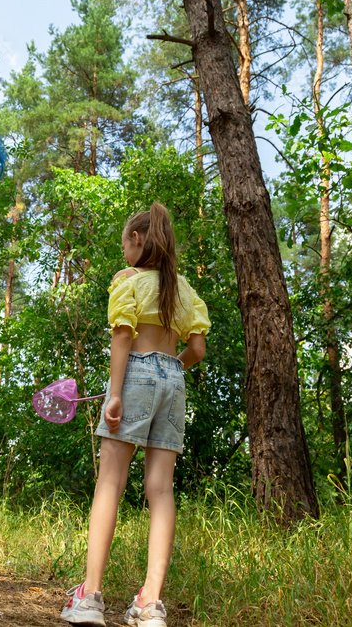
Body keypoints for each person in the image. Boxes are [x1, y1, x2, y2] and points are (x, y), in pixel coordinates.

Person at [60, 203, 210, 627]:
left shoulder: (126, 281)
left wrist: (115, 393)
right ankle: (150, 604)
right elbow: (196, 351)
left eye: (125, 243)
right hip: (174, 379)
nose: (123, 252)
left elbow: (123, 336)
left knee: (110, 480)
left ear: (138, 240)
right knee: (160, 490)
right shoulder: (184, 290)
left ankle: (89, 596)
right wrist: (168, 368)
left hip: (136, 373)